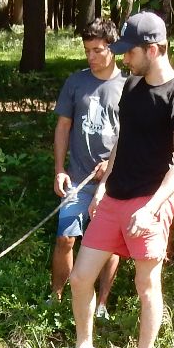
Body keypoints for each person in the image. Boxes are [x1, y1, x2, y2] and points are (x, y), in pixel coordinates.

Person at [51, 11, 174, 348]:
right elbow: (121, 141)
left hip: (150, 203)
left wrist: (151, 208)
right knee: (81, 277)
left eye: (128, 52)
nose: (124, 59)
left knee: (146, 284)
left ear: (152, 49)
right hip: (114, 197)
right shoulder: (132, 87)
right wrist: (102, 188)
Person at [51, 19, 125, 315]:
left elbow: (131, 137)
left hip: (114, 183)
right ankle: (57, 298)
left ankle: (102, 304)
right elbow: (63, 127)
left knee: (108, 247)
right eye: (87, 51)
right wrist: (60, 169)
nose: (91, 57)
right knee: (65, 238)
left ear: (114, 49)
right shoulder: (76, 82)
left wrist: (111, 165)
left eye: (97, 50)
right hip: (77, 179)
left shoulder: (128, 86)